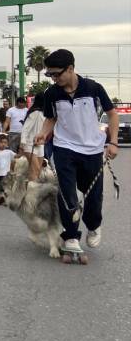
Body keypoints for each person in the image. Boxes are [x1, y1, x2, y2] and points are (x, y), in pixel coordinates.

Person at [36, 49, 119, 256]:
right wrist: (43, 133)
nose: (54, 79)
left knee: (93, 196)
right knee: (66, 193)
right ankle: (71, 235)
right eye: (50, 75)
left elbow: (112, 115)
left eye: (57, 74)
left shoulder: (93, 89)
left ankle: (93, 225)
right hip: (65, 148)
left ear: (71, 68)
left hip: (92, 149)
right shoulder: (52, 94)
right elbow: (51, 119)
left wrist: (113, 142)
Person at [19, 92, 47, 181]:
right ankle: (31, 193)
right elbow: (25, 129)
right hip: (30, 145)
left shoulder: (44, 113)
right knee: (35, 171)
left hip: (40, 145)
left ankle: (28, 191)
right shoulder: (35, 113)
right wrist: (22, 144)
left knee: (37, 171)